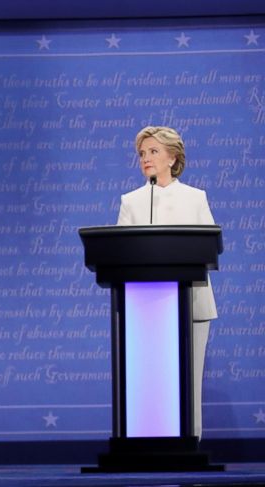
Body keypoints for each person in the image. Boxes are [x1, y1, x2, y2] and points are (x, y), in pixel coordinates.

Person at [116, 125, 217, 439]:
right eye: (142, 154)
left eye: (153, 152)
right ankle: (144, 441)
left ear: (173, 158)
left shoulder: (195, 197)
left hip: (192, 303)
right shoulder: (131, 201)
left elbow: (210, 247)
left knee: (189, 378)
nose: (146, 158)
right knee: (148, 380)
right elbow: (117, 252)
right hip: (143, 307)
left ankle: (191, 442)